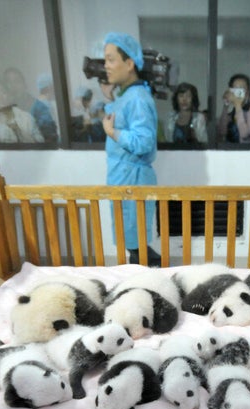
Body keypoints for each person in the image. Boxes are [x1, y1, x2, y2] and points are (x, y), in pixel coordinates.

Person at [101, 31, 160, 266]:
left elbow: (144, 142)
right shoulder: (127, 96)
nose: (106, 66)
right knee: (131, 239)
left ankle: (150, 279)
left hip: (132, 180)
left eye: (110, 59)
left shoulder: (137, 97)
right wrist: (110, 97)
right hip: (123, 178)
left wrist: (113, 133)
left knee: (136, 242)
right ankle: (143, 275)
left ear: (129, 63)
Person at [0, 79, 44, 143]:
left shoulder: (26, 116)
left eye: (3, 92)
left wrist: (16, 129)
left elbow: (41, 143)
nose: (0, 96)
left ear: (9, 95)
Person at [216, 73, 250, 143]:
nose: (238, 92)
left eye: (241, 89)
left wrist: (237, 104)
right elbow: (222, 132)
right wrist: (226, 105)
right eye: (235, 89)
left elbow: (244, 135)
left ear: (247, 93)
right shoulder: (231, 114)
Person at [30, 73, 58, 143]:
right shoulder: (44, 107)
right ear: (49, 87)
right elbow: (49, 135)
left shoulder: (37, 104)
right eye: (54, 86)